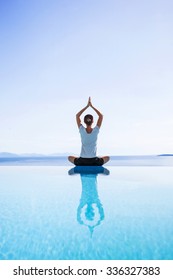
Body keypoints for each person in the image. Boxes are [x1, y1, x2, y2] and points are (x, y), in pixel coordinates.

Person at [68, 97, 110, 166]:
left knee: (69, 157)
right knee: (107, 158)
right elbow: (101, 116)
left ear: (84, 122)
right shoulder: (96, 130)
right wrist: (92, 106)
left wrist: (87, 106)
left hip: (82, 161)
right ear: (93, 121)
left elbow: (77, 115)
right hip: (94, 161)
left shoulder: (81, 130)